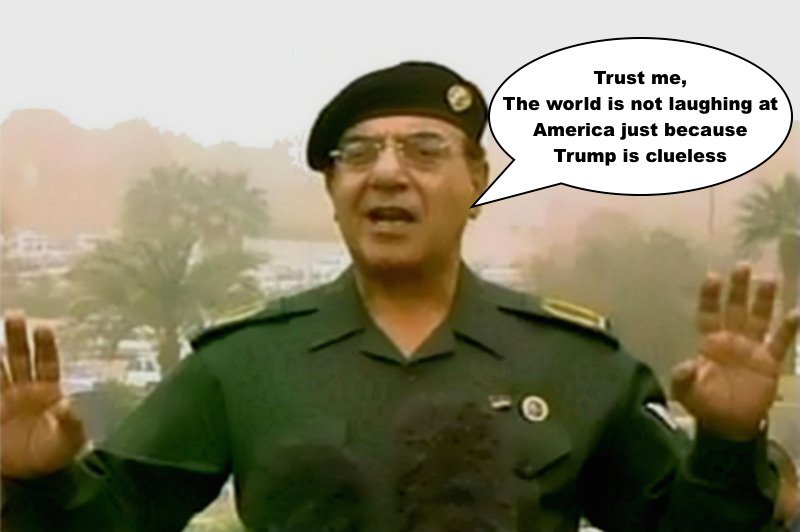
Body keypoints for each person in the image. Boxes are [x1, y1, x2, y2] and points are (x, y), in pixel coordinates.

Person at [1, 61, 798, 531]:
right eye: (358, 155)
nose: (387, 172)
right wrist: (38, 481)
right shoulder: (241, 364)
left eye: (423, 150)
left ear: (477, 182)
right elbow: (113, 520)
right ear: (333, 191)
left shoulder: (577, 363)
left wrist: (729, 441)